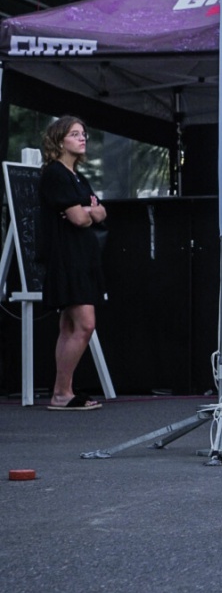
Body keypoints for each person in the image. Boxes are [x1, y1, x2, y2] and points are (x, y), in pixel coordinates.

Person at [38, 116, 107, 410]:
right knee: (84, 324)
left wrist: (88, 212)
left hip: (81, 256)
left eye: (83, 134)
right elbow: (81, 217)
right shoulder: (55, 174)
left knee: (69, 326)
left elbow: (101, 212)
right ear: (59, 140)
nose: (82, 138)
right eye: (75, 134)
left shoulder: (77, 175)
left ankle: (62, 391)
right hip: (67, 257)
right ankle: (61, 392)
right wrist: (87, 212)